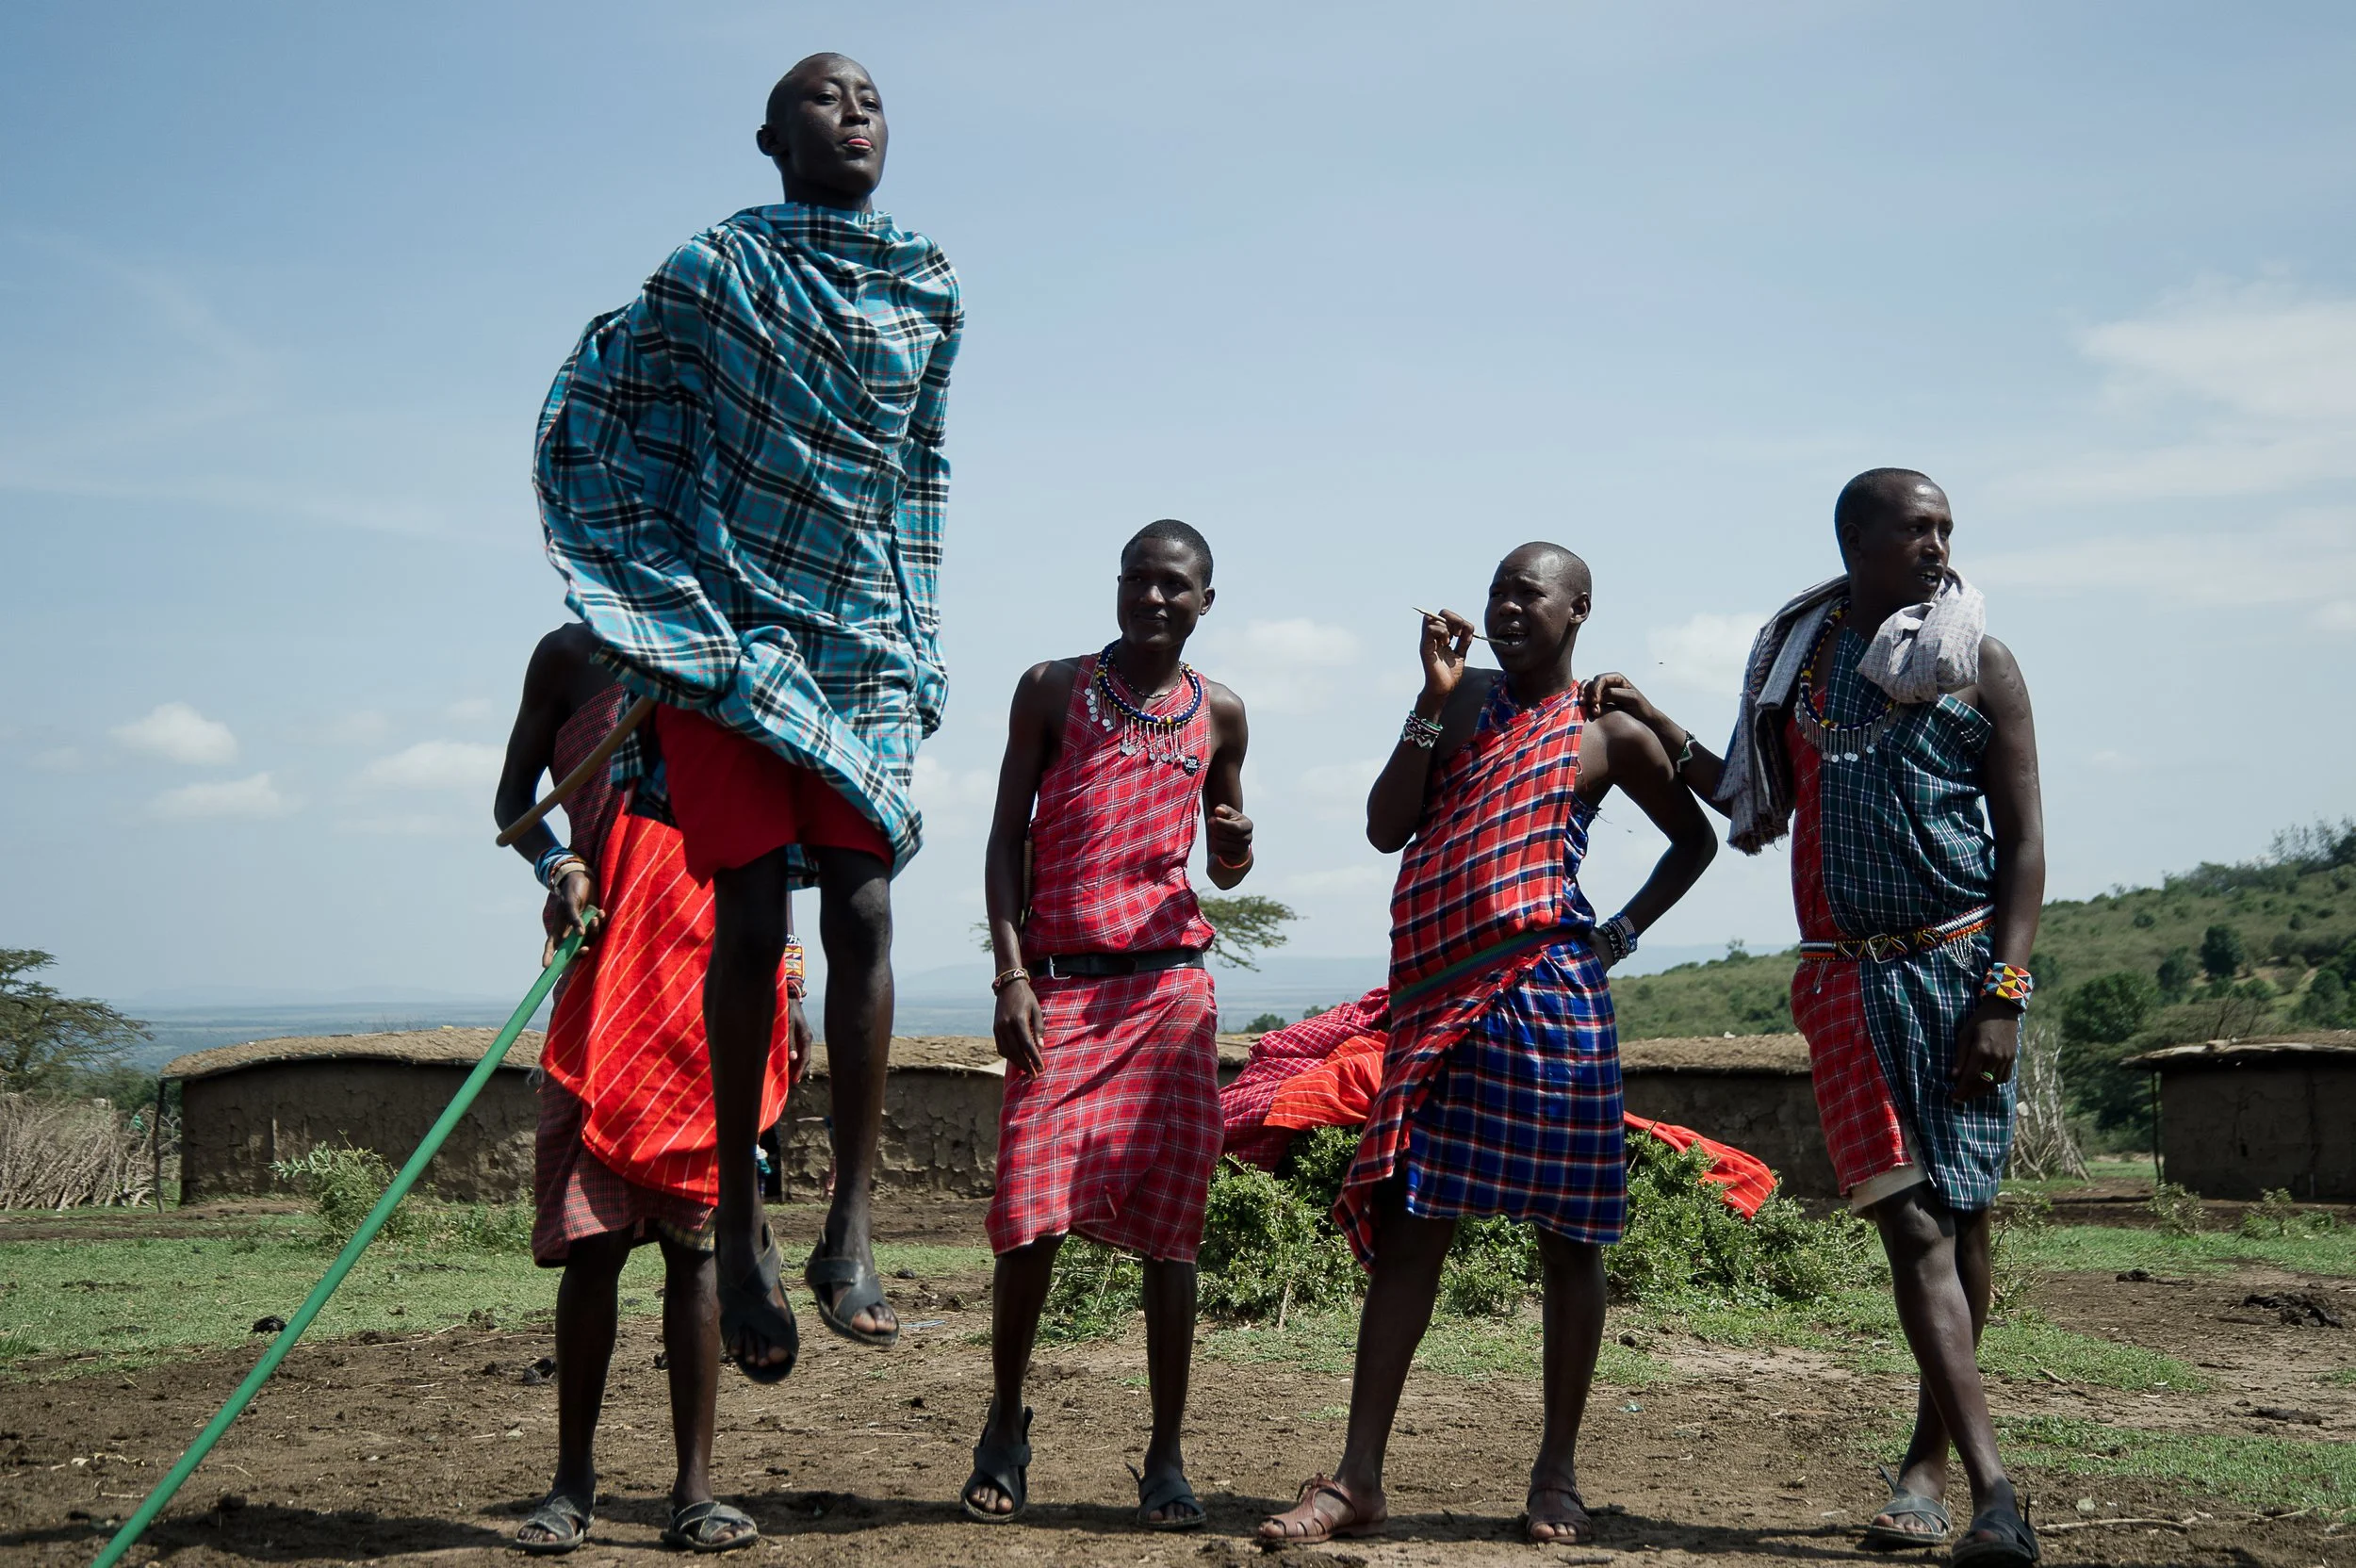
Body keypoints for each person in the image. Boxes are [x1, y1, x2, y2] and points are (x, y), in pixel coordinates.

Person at [534, 53, 962, 1378]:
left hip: (867, 642)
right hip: (732, 653)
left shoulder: (928, 285)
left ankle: (851, 1219)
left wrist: (922, 631)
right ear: (770, 137)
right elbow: (602, 402)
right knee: (758, 924)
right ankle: (743, 1214)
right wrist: (658, 600)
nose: (855, 113)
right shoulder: (711, 275)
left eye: (873, 98)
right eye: (825, 99)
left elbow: (922, 474)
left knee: (870, 904)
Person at [1586, 468, 2045, 1567]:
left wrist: (2002, 997)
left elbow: (2027, 849)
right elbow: (1750, 806)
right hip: (1842, 979)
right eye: (1915, 529)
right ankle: (1994, 1490)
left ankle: (1928, 1461)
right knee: (1913, 1223)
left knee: (1966, 1217)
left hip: (1957, 973)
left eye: (1946, 529)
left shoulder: (1977, 661)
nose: (1938, 547)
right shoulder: (1798, 666)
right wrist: (1654, 718)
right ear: (1855, 542)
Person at [1260, 544, 1717, 1548]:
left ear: (1578, 608)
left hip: (1550, 998)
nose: (1506, 607)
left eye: (1529, 593)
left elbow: (1698, 837)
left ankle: (1555, 1472)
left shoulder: (1610, 734)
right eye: (1496, 592)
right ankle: (1356, 1478)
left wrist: (1618, 936)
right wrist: (1427, 700)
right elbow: (1387, 825)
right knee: (1411, 1224)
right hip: (1436, 1004)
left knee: (1571, 1236)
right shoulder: (1458, 700)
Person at [964, 521, 1253, 1530]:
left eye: (1176, 585)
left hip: (1170, 991)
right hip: (1064, 988)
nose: (1156, 598)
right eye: (1140, 579)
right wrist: (1010, 973)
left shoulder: (1219, 711)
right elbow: (1005, 837)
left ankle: (1167, 1452)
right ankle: (1004, 1421)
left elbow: (1223, 863)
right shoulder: (1050, 687)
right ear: (1119, 587)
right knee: (1029, 1211)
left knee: (1172, 1234)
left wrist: (1238, 844)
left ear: (1205, 600)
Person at [492, 624, 806, 1555]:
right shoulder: (564, 657)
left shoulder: (729, 649)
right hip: (609, 980)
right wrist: (559, 863)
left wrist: (785, 968)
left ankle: (695, 1491)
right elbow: (515, 795)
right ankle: (571, 1483)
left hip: (716, 978)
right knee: (594, 1250)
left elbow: (768, 825)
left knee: (696, 1250)